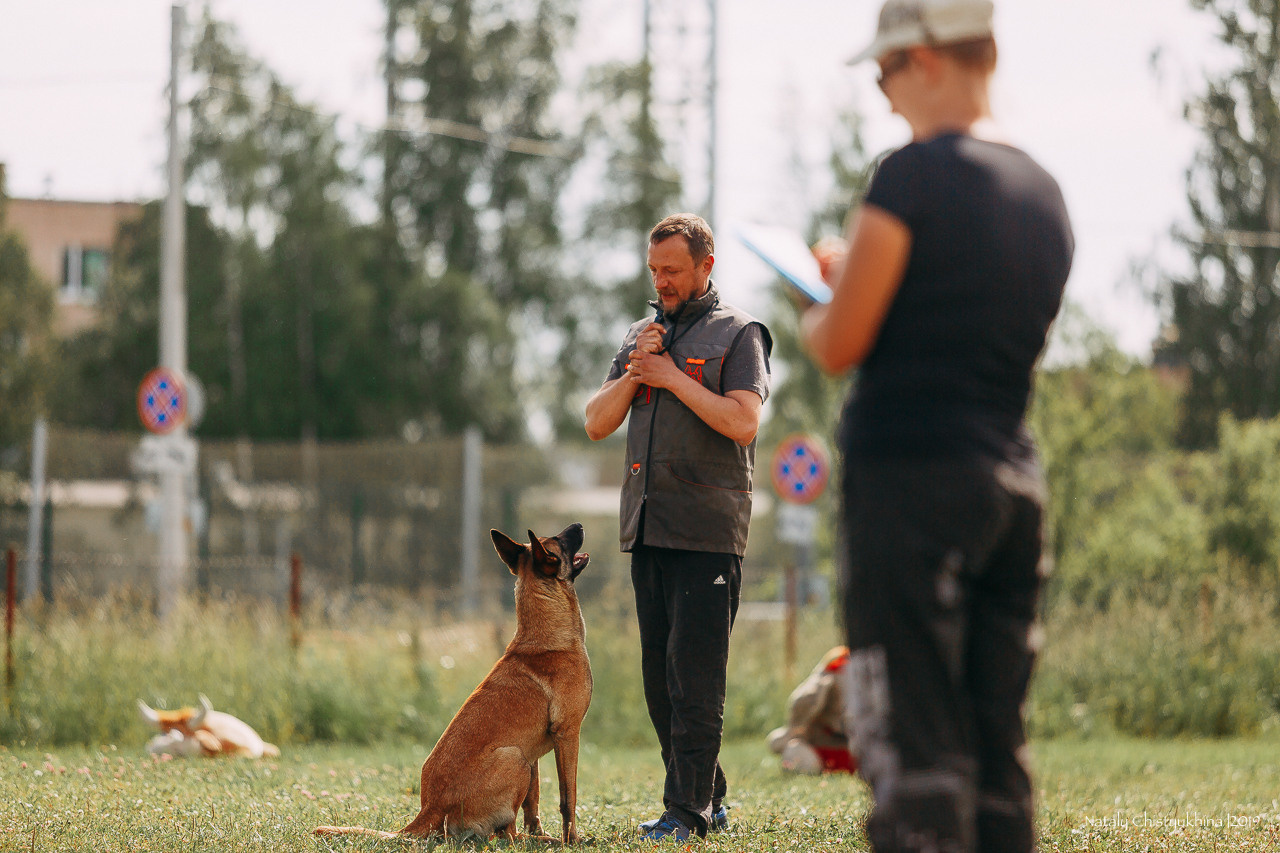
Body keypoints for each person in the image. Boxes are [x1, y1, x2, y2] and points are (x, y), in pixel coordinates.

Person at [798, 2, 1074, 852]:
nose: (884, 98)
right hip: (1011, 483)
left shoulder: (908, 179)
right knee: (997, 750)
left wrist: (824, 294)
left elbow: (841, 342)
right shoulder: (1043, 191)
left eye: (885, 74)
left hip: (911, 484)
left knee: (917, 751)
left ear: (922, 59)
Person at [585, 213, 772, 842]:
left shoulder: (739, 334)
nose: (661, 281)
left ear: (704, 266)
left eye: (672, 270)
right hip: (647, 526)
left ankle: (686, 811)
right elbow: (595, 420)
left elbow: (744, 423)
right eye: (654, 270)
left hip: (708, 532)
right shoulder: (643, 335)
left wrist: (672, 378)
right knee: (660, 682)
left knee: (695, 681)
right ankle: (708, 799)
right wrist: (638, 372)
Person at [767, 645, 858, 776]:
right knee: (794, 749)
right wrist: (791, 732)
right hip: (822, 752)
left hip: (858, 754)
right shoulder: (824, 685)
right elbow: (777, 742)